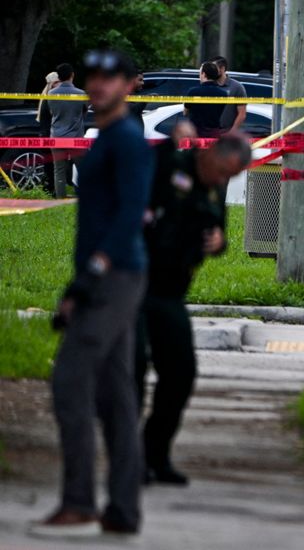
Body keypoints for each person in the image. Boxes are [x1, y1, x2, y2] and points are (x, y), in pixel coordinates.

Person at [32, 50, 153, 538]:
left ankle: (79, 500)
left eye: (111, 78)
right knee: (116, 396)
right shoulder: (106, 138)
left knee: (70, 382)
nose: (99, 86)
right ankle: (122, 509)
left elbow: (130, 215)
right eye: (93, 78)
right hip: (111, 275)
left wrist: (91, 277)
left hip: (114, 277)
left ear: (131, 85)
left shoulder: (126, 140)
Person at [136, 129, 251, 486]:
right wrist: (172, 142)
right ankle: (129, 458)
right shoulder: (173, 164)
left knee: (180, 374)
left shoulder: (216, 188)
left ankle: (155, 453)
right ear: (211, 154)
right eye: (221, 170)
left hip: (171, 291)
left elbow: (217, 232)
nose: (222, 179)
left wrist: (219, 243)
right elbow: (145, 168)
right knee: (132, 372)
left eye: (230, 177)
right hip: (136, 285)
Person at [39, 63, 87, 198]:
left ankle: (60, 197)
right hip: (76, 137)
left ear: (59, 77)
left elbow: (49, 113)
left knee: (58, 169)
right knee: (82, 168)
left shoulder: (51, 94)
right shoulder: (81, 94)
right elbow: (84, 112)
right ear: (72, 75)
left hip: (57, 136)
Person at [184, 62, 227, 139]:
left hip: (195, 135)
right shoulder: (223, 94)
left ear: (203, 74)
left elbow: (185, 113)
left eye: (200, 73)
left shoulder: (193, 92)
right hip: (214, 135)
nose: (199, 75)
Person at [210, 56, 247, 133]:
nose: (211, 71)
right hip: (209, 133)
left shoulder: (237, 87)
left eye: (213, 68)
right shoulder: (208, 86)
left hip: (227, 131)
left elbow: (242, 114)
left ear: (222, 69)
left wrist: (231, 133)